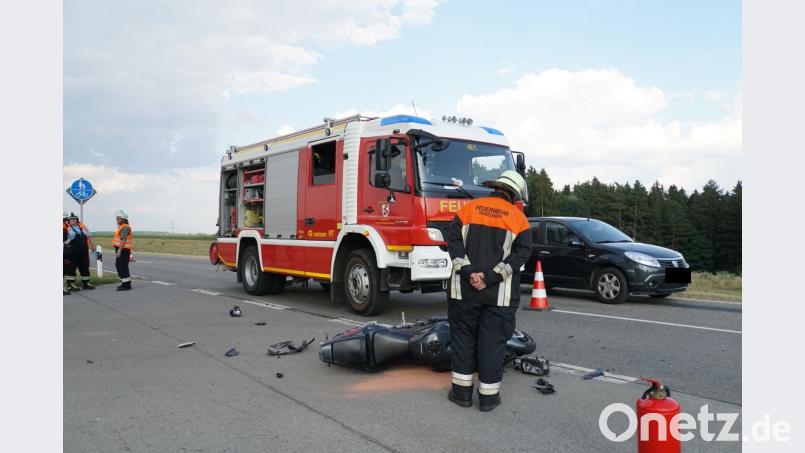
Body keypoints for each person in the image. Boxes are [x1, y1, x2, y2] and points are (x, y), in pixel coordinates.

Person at [445, 170, 532, 412]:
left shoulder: (468, 210)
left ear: (494, 188)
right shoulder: (518, 219)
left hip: (464, 291)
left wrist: (470, 272)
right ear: (514, 195)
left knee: (463, 340)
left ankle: (461, 394)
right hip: (499, 296)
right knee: (492, 344)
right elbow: (520, 255)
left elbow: (453, 243)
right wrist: (491, 277)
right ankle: (488, 399)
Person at [65, 212, 96, 291]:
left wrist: (92, 245)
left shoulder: (82, 226)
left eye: (75, 219)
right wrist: (69, 240)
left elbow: (89, 236)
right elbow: (65, 241)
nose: (73, 221)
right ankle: (70, 285)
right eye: (71, 220)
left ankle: (86, 283)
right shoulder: (67, 228)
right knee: (71, 267)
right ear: (68, 221)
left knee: (85, 266)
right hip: (73, 251)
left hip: (83, 250)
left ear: (77, 220)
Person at [113, 210, 133, 291]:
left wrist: (119, 251)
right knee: (120, 266)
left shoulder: (125, 227)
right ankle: (125, 283)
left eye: (119, 218)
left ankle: (126, 285)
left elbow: (123, 240)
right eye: (117, 218)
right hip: (123, 249)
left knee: (122, 266)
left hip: (123, 249)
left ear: (123, 219)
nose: (117, 219)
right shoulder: (122, 227)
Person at [62, 210, 72, 296]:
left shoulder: (64, 227)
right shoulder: (63, 229)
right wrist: (70, 240)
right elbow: (65, 242)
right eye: (65, 219)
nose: (65, 221)